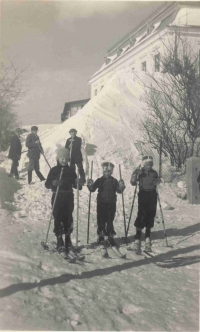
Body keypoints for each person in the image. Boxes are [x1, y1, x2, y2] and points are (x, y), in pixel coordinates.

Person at [45, 147, 82, 251]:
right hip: (57, 196)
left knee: (68, 217)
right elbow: (47, 184)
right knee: (57, 216)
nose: (64, 160)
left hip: (68, 196)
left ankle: (67, 238)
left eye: (66, 158)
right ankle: (59, 238)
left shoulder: (71, 170)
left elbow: (76, 185)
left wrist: (78, 183)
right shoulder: (53, 170)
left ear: (68, 159)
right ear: (58, 158)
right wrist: (53, 183)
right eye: (62, 158)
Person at [87, 162, 126, 246]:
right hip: (101, 203)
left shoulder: (114, 180)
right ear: (103, 172)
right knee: (101, 219)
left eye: (109, 172)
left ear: (111, 172)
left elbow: (119, 191)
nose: (107, 173)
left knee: (110, 219)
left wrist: (121, 186)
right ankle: (101, 236)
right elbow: (92, 189)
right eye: (105, 172)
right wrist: (90, 185)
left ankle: (110, 236)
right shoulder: (100, 180)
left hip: (111, 203)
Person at [130, 155, 161, 252]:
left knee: (151, 213)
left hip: (152, 194)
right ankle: (138, 235)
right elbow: (133, 182)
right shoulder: (140, 172)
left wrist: (158, 181)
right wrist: (135, 174)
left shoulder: (154, 173)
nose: (149, 166)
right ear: (144, 164)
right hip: (143, 194)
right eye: (147, 164)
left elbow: (157, 181)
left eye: (151, 164)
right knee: (142, 213)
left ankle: (148, 234)